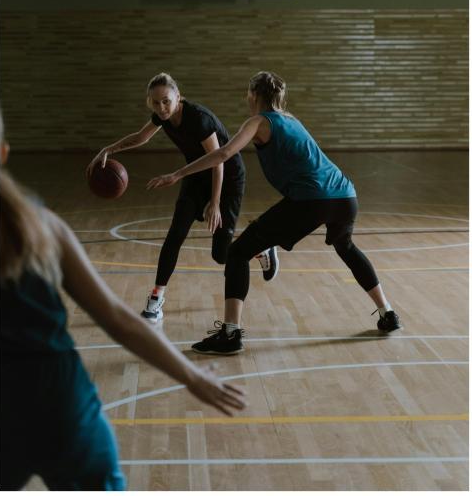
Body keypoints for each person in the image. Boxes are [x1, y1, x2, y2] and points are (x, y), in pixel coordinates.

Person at [0, 114, 246, 491]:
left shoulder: (35, 223)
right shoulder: (39, 224)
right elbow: (117, 318)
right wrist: (190, 375)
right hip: (63, 401)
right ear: (3, 152)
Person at [147, 71, 402, 355]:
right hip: (345, 195)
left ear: (254, 96)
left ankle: (231, 334)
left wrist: (177, 174)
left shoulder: (258, 121)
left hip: (311, 200)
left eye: (248, 94)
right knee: (346, 247)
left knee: (238, 252)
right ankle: (387, 312)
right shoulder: (291, 119)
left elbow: (223, 154)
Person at [87, 72, 278, 324]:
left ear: (178, 96)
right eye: (155, 102)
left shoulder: (199, 119)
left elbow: (218, 161)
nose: (162, 107)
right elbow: (141, 137)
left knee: (221, 254)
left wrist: (215, 202)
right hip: (195, 175)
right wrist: (108, 149)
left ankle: (261, 249)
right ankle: (156, 297)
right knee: (175, 234)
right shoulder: (161, 117)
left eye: (166, 100)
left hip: (227, 179)